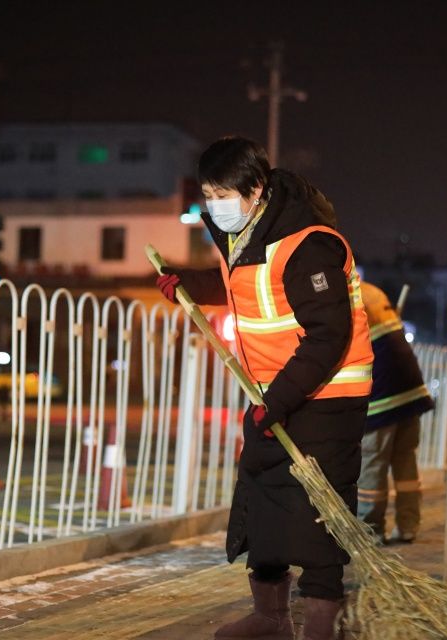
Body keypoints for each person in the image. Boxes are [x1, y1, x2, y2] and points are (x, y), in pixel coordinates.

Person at [156, 136, 373, 640]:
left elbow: (328, 335)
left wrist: (277, 403)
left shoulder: (308, 242)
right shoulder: (247, 235)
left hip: (326, 397)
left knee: (320, 510)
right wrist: (185, 283)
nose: (215, 205)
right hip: (276, 395)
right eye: (207, 194)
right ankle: (271, 615)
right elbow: (243, 287)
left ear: (255, 188)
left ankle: (323, 621)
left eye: (223, 193)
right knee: (261, 492)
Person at [356, 282, 434, 543]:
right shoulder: (372, 291)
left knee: (373, 461)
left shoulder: (347, 293)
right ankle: (409, 525)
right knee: (405, 460)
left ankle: (371, 529)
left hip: (383, 392)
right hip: (409, 384)